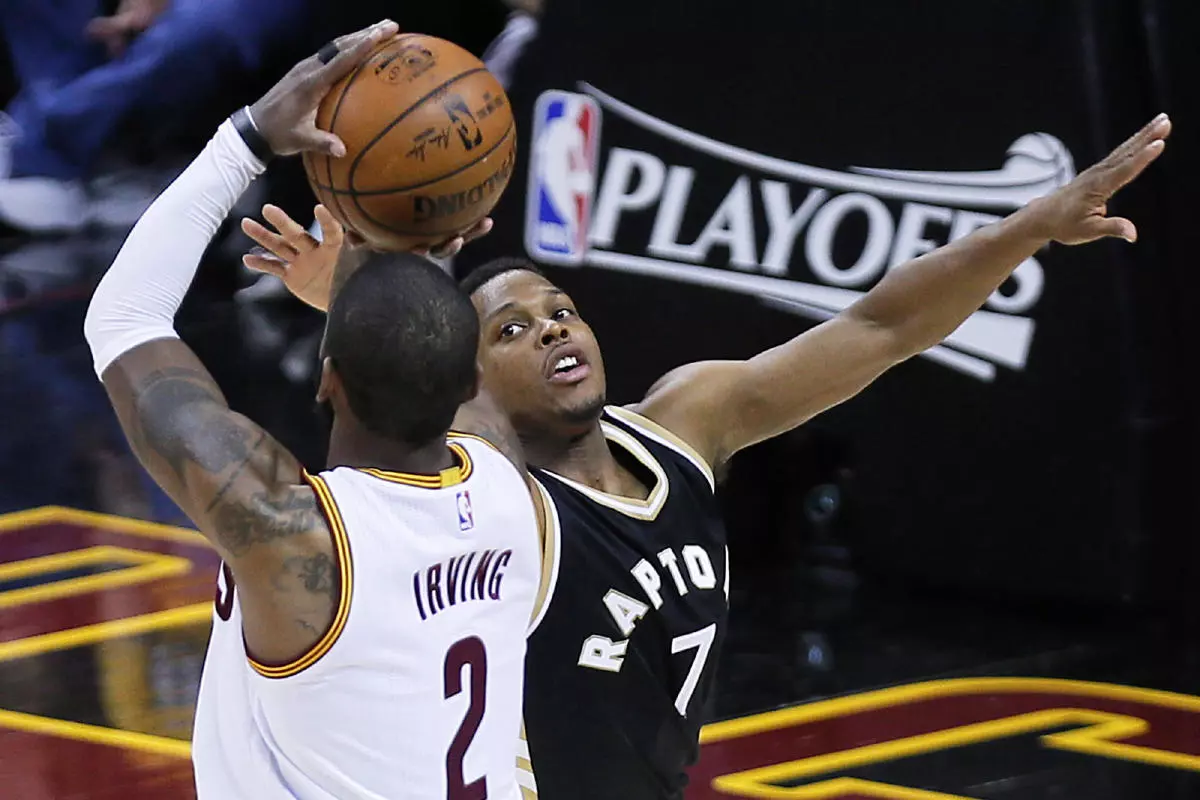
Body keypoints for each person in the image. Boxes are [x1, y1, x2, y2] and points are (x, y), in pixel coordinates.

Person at [243, 113, 1171, 798]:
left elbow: (881, 324)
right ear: (463, 376)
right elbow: (404, 385)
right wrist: (354, 291)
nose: (553, 332)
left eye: (561, 310)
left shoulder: (687, 418)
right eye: (513, 331)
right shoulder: (489, 487)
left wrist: (1028, 227)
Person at [83, 21, 542, 799]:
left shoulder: (293, 534)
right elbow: (429, 338)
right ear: (472, 381)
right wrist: (405, 243)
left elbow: (124, 321)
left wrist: (250, 136)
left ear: (327, 376)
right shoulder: (508, 485)